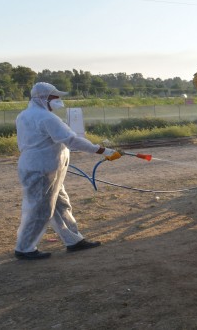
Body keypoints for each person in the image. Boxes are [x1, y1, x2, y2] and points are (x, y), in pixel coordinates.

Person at [14, 82, 122, 260]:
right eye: (55, 97)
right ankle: (24, 248)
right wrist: (103, 151)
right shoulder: (46, 118)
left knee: (60, 204)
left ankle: (73, 240)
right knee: (40, 210)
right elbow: (72, 140)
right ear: (43, 98)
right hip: (41, 169)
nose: (59, 100)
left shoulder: (24, 115)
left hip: (44, 167)